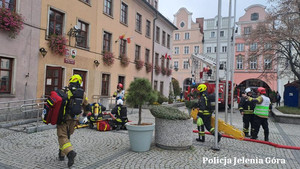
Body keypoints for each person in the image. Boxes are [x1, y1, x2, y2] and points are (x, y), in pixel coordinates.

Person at [57, 74, 90, 167]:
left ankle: (70, 153)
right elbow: (87, 106)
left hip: (63, 118)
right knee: (67, 136)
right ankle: (61, 154)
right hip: (74, 119)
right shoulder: (82, 94)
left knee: (62, 136)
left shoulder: (65, 91)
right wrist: (85, 114)